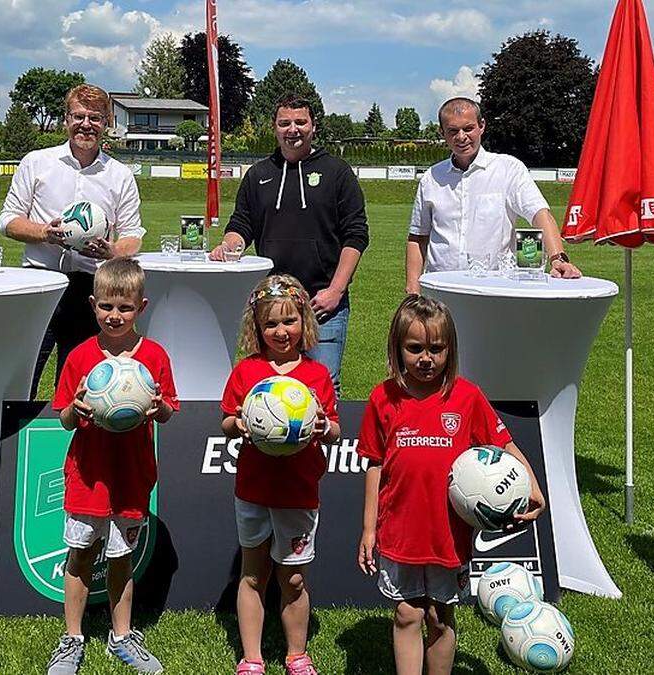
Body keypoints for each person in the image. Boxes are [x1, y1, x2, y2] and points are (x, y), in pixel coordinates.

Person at [356, 295, 546, 674]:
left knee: (440, 618)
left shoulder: (467, 397)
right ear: (397, 349)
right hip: (399, 532)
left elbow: (503, 445)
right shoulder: (383, 398)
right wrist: (368, 529)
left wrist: (533, 487)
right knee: (407, 614)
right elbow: (375, 465)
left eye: (436, 349)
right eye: (415, 348)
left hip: (448, 536)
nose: (426, 358)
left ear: (450, 350)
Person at [46, 257, 178, 675]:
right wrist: (76, 407)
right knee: (80, 554)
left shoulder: (155, 356)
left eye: (124, 307)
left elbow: (170, 410)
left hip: (131, 476)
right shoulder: (80, 357)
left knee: (122, 558)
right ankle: (72, 639)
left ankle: (121, 638)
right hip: (89, 476)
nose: (114, 315)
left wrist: (158, 409)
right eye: (106, 306)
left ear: (142, 306)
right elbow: (63, 416)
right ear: (92, 304)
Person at [220, 275, 341, 675]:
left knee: (292, 581)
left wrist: (324, 427)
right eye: (270, 324)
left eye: (289, 321)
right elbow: (226, 421)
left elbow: (335, 429)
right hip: (254, 487)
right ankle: (252, 658)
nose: (280, 331)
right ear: (257, 327)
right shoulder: (246, 372)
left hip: (298, 490)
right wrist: (237, 425)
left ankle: (296, 655)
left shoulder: (317, 375)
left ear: (304, 321)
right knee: (253, 574)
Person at [209, 94, 368, 396]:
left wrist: (336, 290)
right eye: (285, 123)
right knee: (270, 388)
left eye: (300, 122)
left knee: (324, 388)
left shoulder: (337, 172)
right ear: (274, 128)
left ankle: (320, 445)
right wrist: (229, 245)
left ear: (313, 126)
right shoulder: (258, 175)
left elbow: (357, 235)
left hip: (324, 304)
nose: (292, 129)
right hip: (273, 304)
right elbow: (242, 225)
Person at [0, 84, 145, 398]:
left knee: (79, 384)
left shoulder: (120, 175)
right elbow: (7, 220)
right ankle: (11, 442)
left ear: (107, 124)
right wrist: (44, 233)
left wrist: (112, 250)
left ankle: (69, 444)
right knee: (22, 377)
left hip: (91, 287)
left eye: (95, 117)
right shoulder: (37, 163)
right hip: (39, 281)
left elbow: (133, 236)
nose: (86, 124)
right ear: (66, 120)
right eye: (79, 116)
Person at [405, 97, 581, 295]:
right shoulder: (431, 178)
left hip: (493, 290)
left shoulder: (508, 169)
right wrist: (413, 288)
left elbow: (540, 215)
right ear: (442, 133)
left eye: (468, 128)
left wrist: (558, 258)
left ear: (481, 126)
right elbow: (418, 237)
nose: (461, 137)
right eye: (453, 131)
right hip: (440, 291)